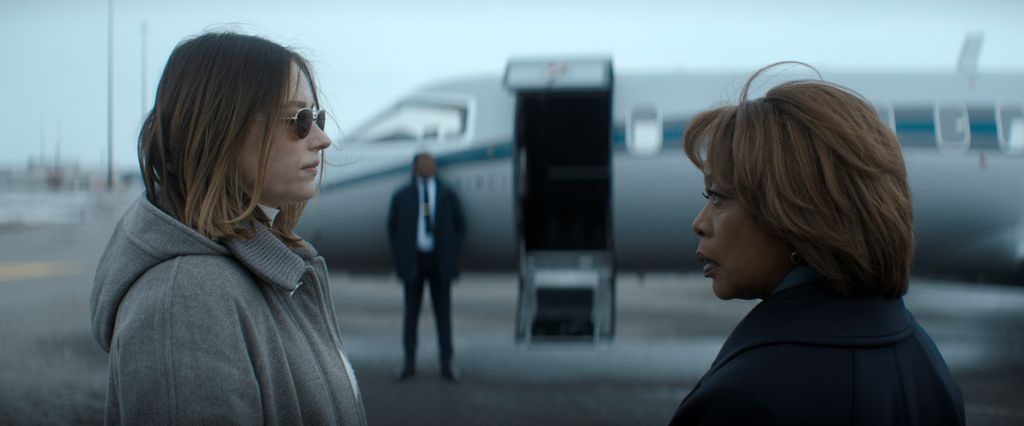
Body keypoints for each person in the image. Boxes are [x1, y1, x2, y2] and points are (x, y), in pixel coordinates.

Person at [89, 32, 367, 424]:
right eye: (298, 120)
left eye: (316, 117)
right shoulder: (185, 302)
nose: (322, 139)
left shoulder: (254, 273)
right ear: (223, 130)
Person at [670, 63, 964, 425]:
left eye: (717, 198)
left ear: (795, 215)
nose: (699, 224)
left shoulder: (743, 399)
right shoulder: (926, 362)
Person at [387, 152, 466, 382]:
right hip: (414, 261)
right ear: (415, 167)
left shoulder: (447, 194)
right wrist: (401, 256)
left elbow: (460, 225)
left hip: (439, 262)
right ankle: (408, 363)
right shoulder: (403, 195)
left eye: (430, 163)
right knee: (411, 315)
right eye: (423, 163)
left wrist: (452, 254)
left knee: (444, 315)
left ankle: (447, 364)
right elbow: (393, 227)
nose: (427, 167)